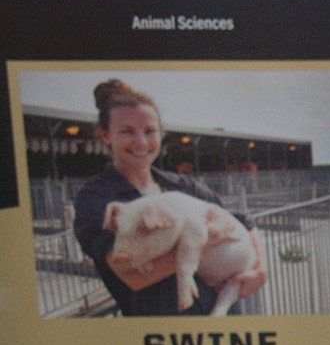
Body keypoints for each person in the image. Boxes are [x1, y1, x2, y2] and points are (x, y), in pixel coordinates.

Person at [70, 78, 267, 318]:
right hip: (165, 333)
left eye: (150, 131)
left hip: (223, 319)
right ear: (105, 135)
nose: (141, 142)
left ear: (161, 135)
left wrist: (260, 269)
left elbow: (244, 221)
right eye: (127, 132)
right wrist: (203, 240)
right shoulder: (97, 199)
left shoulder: (180, 186)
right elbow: (132, 273)